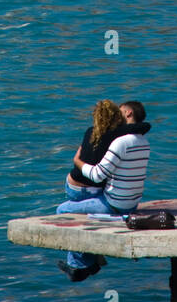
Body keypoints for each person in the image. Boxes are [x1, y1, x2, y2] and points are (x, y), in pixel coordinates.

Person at [55, 101, 151, 282]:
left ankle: (79, 265)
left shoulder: (120, 143)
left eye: (120, 111)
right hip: (131, 202)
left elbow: (98, 175)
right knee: (84, 204)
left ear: (128, 113)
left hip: (114, 204)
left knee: (62, 211)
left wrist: (78, 162)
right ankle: (88, 257)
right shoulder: (143, 141)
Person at [64, 99, 126, 205]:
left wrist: (76, 160)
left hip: (73, 185)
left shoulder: (90, 132)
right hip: (96, 188)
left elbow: (78, 155)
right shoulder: (118, 136)